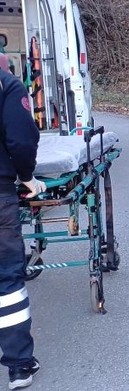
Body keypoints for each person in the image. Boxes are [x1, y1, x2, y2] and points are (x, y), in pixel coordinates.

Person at [0, 53, 43, 390]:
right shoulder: (7, 84)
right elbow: (21, 138)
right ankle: (18, 366)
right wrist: (26, 175)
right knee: (6, 282)